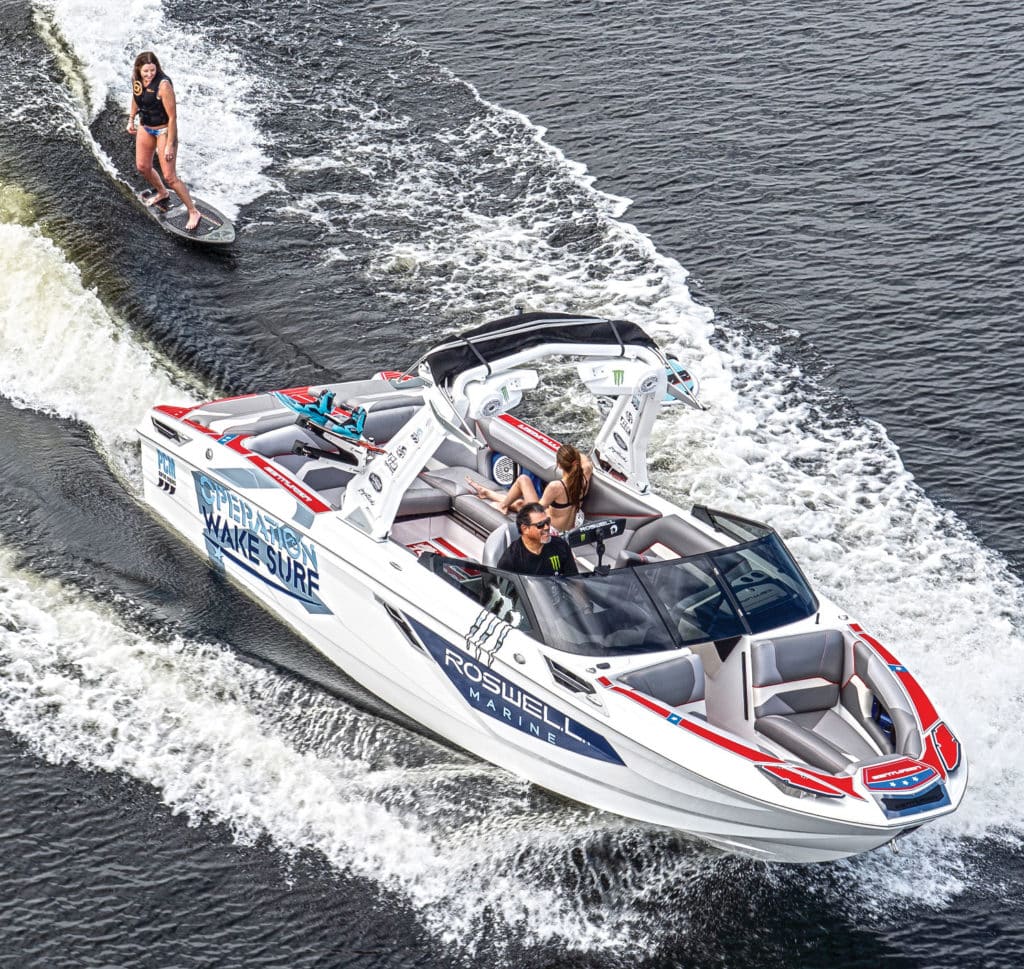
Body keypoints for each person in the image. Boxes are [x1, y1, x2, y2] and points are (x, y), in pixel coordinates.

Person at [126, 51, 202, 231]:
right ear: (139, 69)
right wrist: (131, 119)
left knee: (170, 176)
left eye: (152, 70)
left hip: (164, 131)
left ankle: (193, 211)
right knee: (142, 167)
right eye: (146, 71)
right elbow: (136, 98)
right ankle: (162, 192)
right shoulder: (137, 80)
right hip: (146, 126)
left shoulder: (164, 85)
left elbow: (173, 117)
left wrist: (169, 144)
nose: (149, 74)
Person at [469, 443, 593, 533]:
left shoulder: (556, 487)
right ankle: (487, 493)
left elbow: (536, 510)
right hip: (574, 524)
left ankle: (502, 506)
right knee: (520, 504)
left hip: (555, 529)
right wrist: (571, 454)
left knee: (523, 480)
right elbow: (585, 460)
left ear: (559, 465)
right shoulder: (584, 476)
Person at [497, 503, 579, 577]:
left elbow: (574, 580)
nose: (546, 527)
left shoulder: (561, 545)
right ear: (525, 529)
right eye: (540, 525)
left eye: (547, 521)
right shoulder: (511, 560)